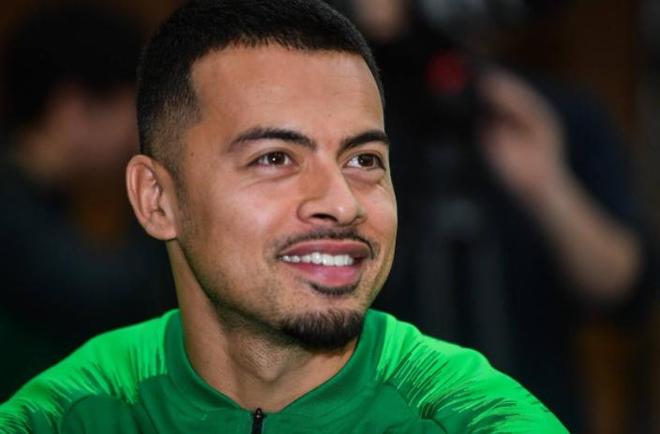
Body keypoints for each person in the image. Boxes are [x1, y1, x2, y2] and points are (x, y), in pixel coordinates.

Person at [0, 1, 568, 432]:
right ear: (157, 199)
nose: (342, 203)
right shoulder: (66, 414)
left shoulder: (471, 418)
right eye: (274, 158)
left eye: (364, 160)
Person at [0, 5, 175, 401]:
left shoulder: (34, 200)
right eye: (134, 109)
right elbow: (112, 299)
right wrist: (160, 186)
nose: (137, 132)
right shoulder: (11, 214)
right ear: (73, 108)